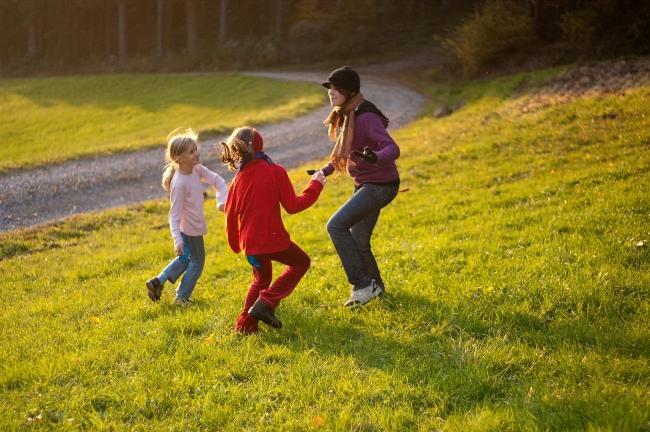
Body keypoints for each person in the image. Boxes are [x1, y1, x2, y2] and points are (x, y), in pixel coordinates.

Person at [220, 126, 326, 333]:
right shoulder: (275, 171)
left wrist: (236, 245)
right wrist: (316, 184)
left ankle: (244, 326)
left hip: (250, 245)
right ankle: (266, 303)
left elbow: (230, 217)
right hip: (274, 241)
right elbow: (294, 206)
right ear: (260, 145)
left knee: (260, 280)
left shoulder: (237, 181)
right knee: (301, 262)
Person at [315, 66, 400, 308]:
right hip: (367, 183)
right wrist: (324, 171)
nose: (330, 93)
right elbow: (345, 154)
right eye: (329, 88)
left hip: (381, 184)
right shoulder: (347, 114)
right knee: (359, 238)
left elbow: (392, 148)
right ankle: (377, 289)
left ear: (349, 91)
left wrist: (375, 157)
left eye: (335, 88)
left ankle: (363, 285)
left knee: (336, 225)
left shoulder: (365, 116)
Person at [145, 128, 228, 305]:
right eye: (191, 151)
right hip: (190, 230)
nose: (196, 153)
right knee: (197, 263)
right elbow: (173, 215)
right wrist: (178, 240)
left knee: (185, 260)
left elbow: (217, 181)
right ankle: (181, 297)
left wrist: (221, 200)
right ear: (180, 159)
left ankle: (158, 282)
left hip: (192, 227)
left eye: (195, 149)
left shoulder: (196, 169)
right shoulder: (180, 183)